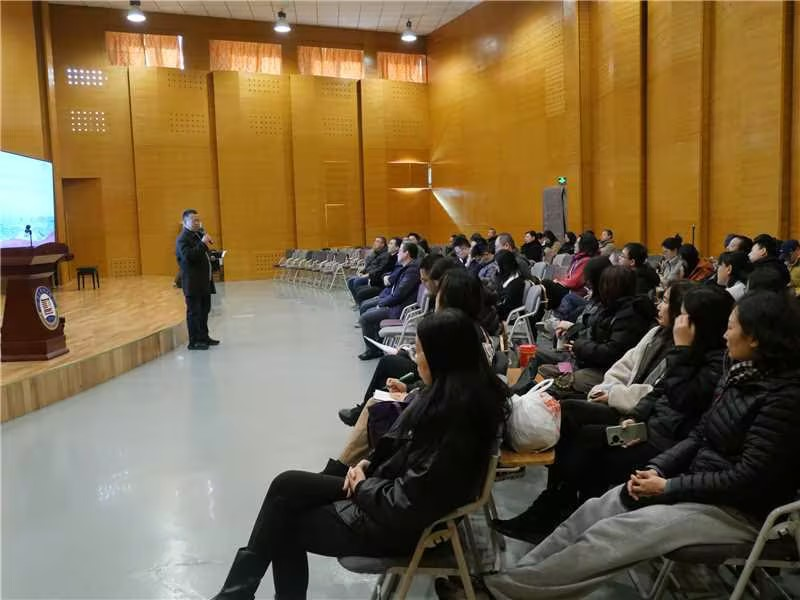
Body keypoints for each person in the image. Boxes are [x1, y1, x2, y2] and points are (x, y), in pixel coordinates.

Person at [440, 291, 800, 600]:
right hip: (693, 483)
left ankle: (500, 593)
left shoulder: (783, 399)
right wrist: (658, 471)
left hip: (737, 511)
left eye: (732, 327)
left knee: (612, 533)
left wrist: (669, 486)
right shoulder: (740, 376)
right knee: (596, 509)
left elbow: (748, 478)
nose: (725, 334)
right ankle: (513, 580)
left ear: (755, 338)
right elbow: (699, 436)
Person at [210, 309, 509, 600]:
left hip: (397, 525)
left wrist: (364, 484)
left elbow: (409, 504)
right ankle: (235, 594)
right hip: (385, 494)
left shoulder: (455, 425)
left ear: (441, 359)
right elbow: (407, 459)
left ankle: (236, 594)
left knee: (283, 523)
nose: (414, 358)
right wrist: (367, 463)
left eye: (419, 351)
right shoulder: (452, 398)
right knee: (286, 484)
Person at [495, 282, 731, 542]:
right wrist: (636, 416)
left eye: (678, 310)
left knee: (587, 440)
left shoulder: (710, 361)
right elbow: (656, 390)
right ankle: (554, 503)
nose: (661, 307)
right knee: (569, 411)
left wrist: (681, 352)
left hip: (662, 440)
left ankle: (559, 510)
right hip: (642, 422)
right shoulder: (661, 337)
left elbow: (681, 398)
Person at [330, 271, 501, 469]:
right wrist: (410, 388)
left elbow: (448, 384)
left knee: (378, 401)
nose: (433, 294)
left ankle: (343, 467)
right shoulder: (467, 330)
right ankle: (347, 466)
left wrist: (412, 393)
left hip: (430, 414)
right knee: (378, 399)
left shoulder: (458, 336)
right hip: (433, 404)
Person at [338, 255, 459, 426]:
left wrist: (410, 382)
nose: (423, 284)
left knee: (388, 363)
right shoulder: (446, 309)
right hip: (432, 374)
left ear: (438, 281)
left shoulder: (451, 320)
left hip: (434, 380)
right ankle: (369, 412)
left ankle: (367, 413)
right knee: (391, 364)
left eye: (425, 280)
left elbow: (438, 370)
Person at [357, 242, 420, 360]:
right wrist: (382, 301)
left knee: (365, 318)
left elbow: (399, 295)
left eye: (400, 251)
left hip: (400, 309)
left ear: (406, 253)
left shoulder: (412, 271)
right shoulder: (406, 267)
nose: (397, 254)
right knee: (368, 311)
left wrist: (382, 303)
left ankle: (373, 350)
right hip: (396, 305)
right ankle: (378, 343)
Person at [175, 209, 218, 350]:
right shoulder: (182, 239)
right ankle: (194, 341)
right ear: (185, 222)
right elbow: (189, 257)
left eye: (198, 220)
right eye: (194, 220)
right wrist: (203, 243)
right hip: (193, 283)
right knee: (194, 312)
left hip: (204, 282)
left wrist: (212, 257)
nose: (198, 223)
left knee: (204, 310)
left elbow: (201, 255)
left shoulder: (197, 235)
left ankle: (204, 337)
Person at [353, 237, 401, 306]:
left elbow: (382, 272)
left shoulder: (392, 258)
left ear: (397, 248)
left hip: (382, 286)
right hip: (376, 279)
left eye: (391, 244)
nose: (388, 245)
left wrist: (370, 278)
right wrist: (363, 271)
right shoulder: (382, 254)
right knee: (355, 284)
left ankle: (361, 306)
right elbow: (370, 264)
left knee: (359, 288)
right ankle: (359, 305)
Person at [346, 237, 388, 303]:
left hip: (374, 276)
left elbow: (380, 269)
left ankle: (361, 302)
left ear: (382, 244)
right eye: (375, 241)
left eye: (377, 241)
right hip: (367, 274)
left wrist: (368, 275)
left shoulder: (385, 255)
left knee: (357, 281)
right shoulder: (374, 252)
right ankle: (357, 302)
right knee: (350, 281)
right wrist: (362, 272)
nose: (375, 243)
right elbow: (368, 264)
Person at [493, 250, 526, 321]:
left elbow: (506, 307)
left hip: (511, 317)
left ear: (504, 266)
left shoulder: (515, 284)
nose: (495, 267)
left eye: (496, 265)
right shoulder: (506, 278)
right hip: (504, 312)